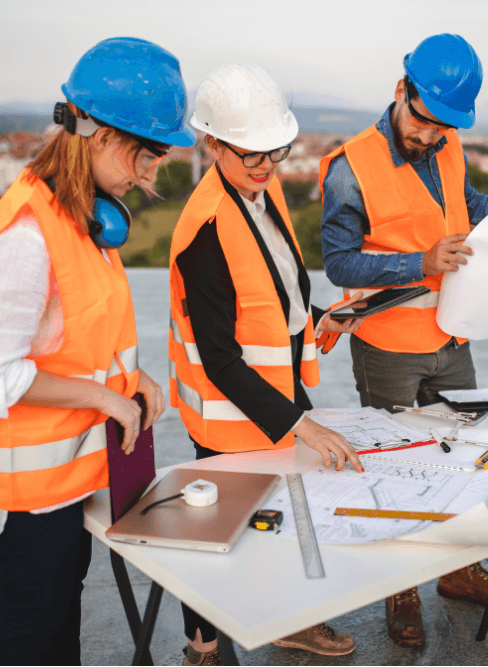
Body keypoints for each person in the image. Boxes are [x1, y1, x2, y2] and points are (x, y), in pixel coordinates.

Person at [0, 37, 194, 664]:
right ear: (101, 136)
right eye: (147, 154)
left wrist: (133, 380)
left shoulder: (81, 218)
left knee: (58, 630)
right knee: (37, 637)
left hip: (67, 482)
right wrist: (101, 394)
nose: (150, 173)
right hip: (24, 500)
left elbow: (76, 336)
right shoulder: (28, 237)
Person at [168, 62, 364, 666]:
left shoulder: (261, 189)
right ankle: (204, 649)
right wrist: (303, 425)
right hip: (228, 421)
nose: (265, 165)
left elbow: (275, 288)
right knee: (215, 540)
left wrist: (323, 316)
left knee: (282, 520)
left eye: (274, 151)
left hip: (277, 401)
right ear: (211, 144)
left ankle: (287, 622)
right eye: (249, 154)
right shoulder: (204, 231)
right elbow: (221, 361)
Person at [318, 34, 488, 647]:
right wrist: (420, 261)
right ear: (403, 90)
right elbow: (341, 264)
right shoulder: (352, 167)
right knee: (396, 472)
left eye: (444, 128)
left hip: (452, 334)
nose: (430, 137)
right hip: (388, 346)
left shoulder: (448, 146)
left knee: (465, 453)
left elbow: (464, 202)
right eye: (424, 122)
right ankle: (400, 588)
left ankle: (456, 570)